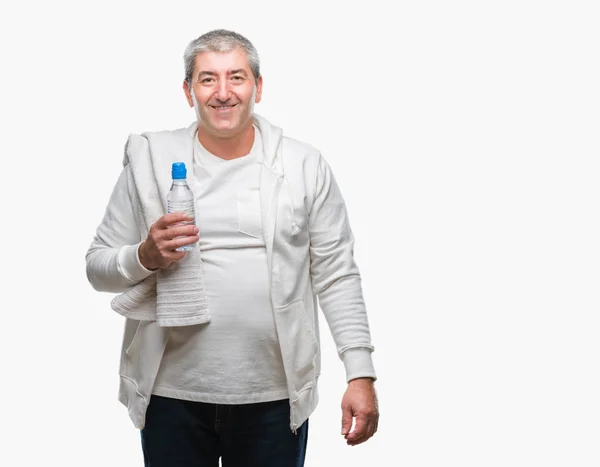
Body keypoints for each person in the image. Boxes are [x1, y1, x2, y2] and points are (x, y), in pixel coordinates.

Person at [85, 28, 378, 467]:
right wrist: (144, 256)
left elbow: (336, 273)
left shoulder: (303, 164)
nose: (223, 93)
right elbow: (97, 267)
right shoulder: (152, 163)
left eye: (236, 77)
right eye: (207, 79)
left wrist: (360, 373)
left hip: (275, 397)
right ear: (189, 92)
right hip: (172, 396)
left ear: (258, 86)